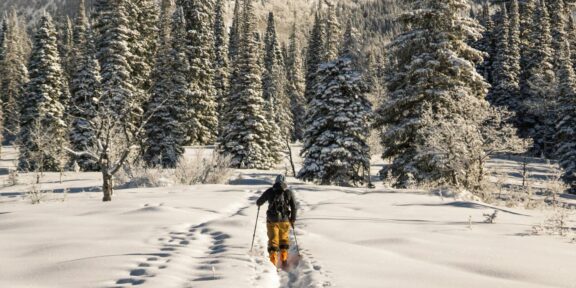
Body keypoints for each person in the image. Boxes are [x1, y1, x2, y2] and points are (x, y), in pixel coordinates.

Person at [256, 175, 297, 267]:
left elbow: (259, 202)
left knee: (273, 240)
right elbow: (294, 207)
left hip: (272, 220)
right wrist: (292, 219)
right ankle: (284, 259)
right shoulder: (288, 192)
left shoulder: (270, 191)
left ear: (275, 181)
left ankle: (273, 262)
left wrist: (260, 204)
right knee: (284, 239)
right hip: (285, 220)